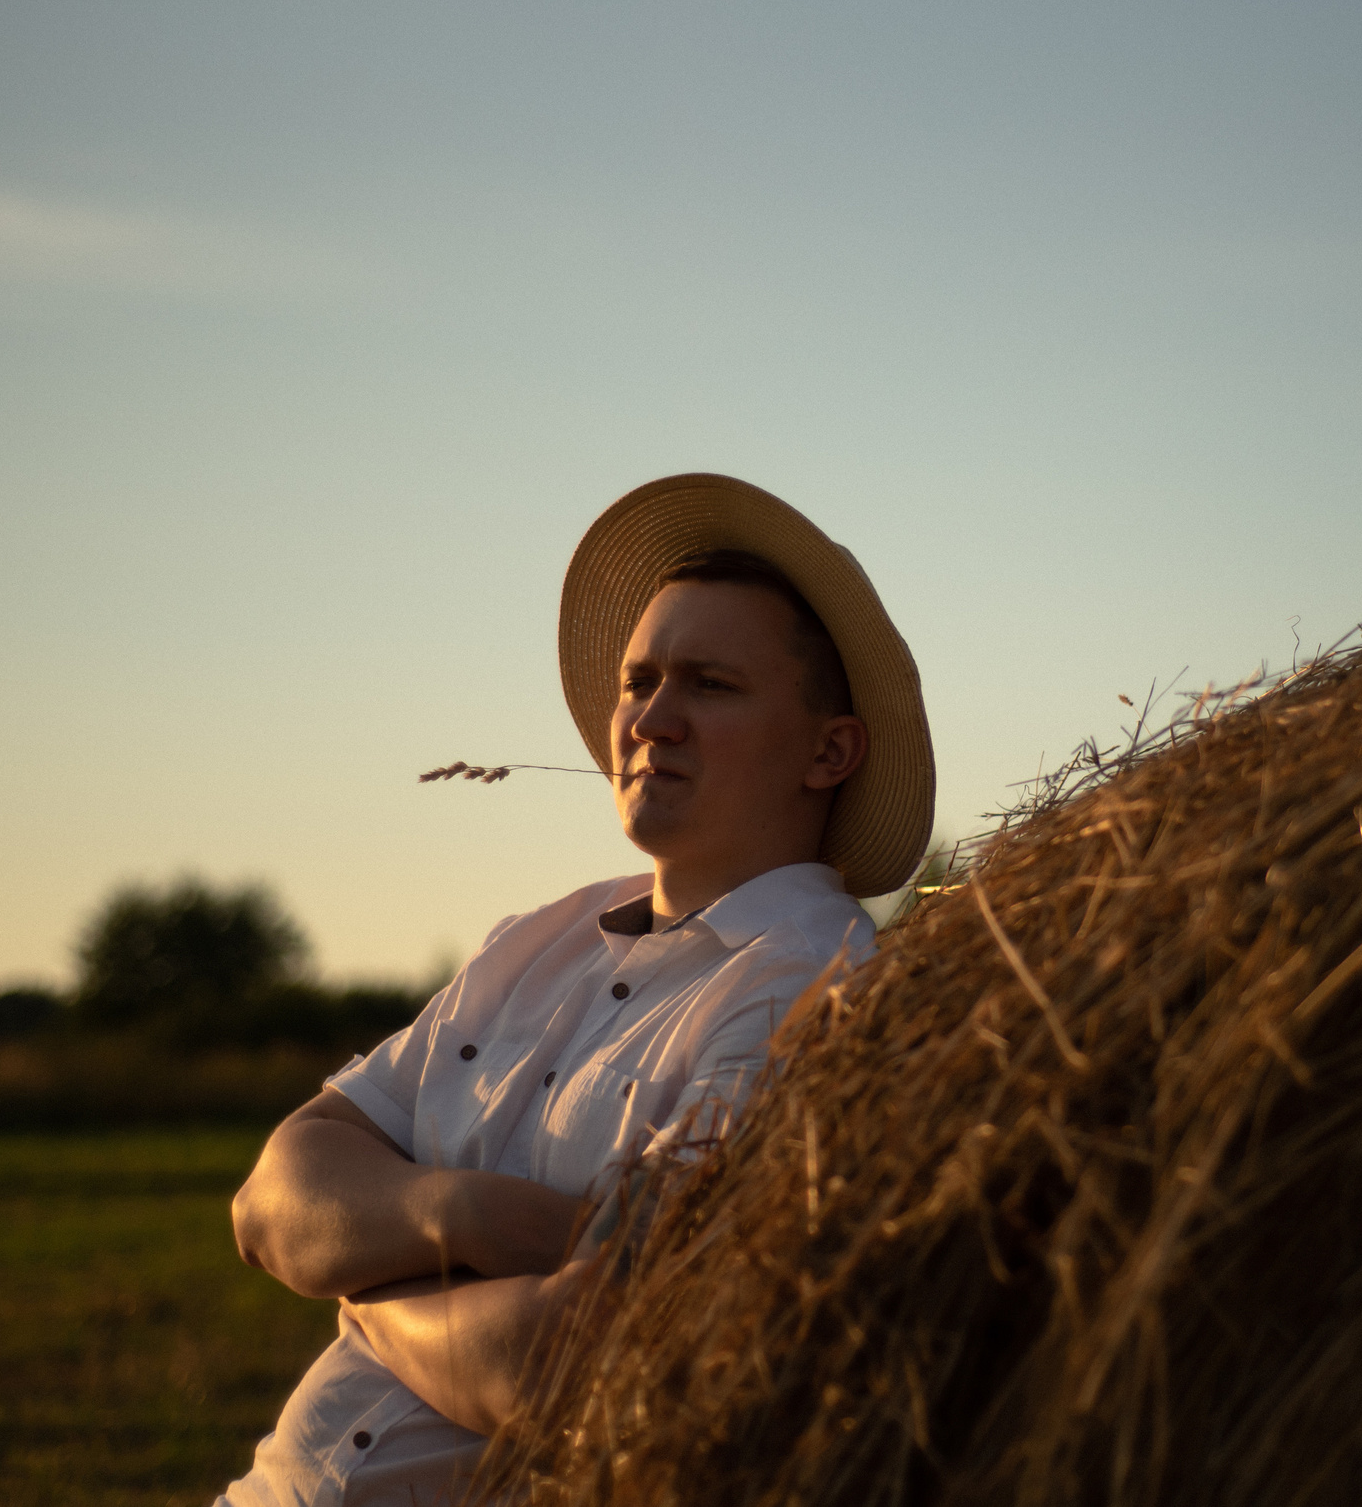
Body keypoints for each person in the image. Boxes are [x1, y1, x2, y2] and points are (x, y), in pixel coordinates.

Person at [215, 474, 934, 1507]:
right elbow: (270, 1203)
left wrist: (367, 1291)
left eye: (710, 685)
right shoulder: (536, 941)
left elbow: (570, 1368)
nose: (652, 718)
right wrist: (471, 1215)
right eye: (639, 681)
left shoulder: (808, 989)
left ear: (830, 751)